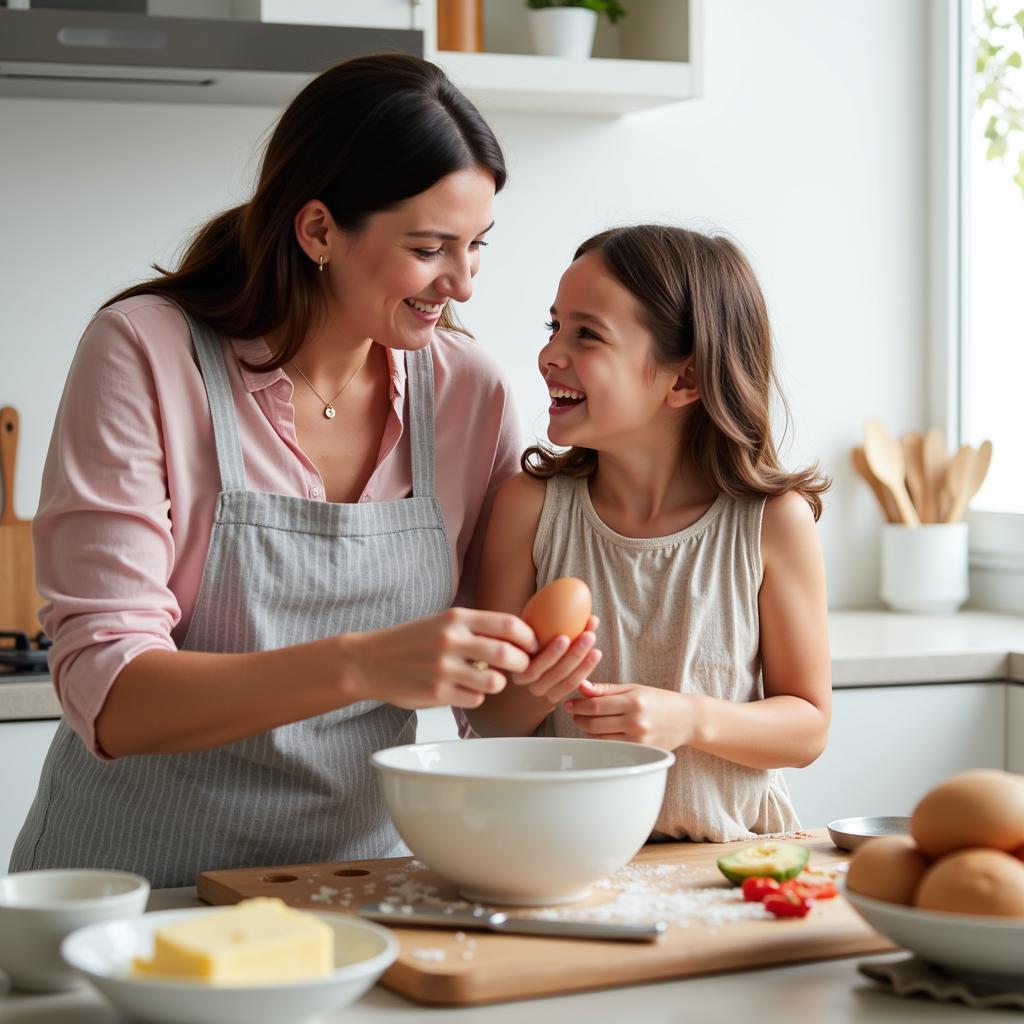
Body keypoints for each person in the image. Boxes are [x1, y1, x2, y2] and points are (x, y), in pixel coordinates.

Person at [10, 54, 539, 888]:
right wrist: (363, 664)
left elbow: (491, 709)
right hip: (137, 895)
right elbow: (109, 695)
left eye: (477, 246)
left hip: (356, 892)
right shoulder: (146, 351)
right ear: (320, 229)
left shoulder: (471, 392)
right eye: (431, 248)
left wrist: (537, 677)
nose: (464, 284)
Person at [466, 224, 832, 841]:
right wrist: (535, 691)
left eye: (587, 334)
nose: (550, 354)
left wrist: (688, 718)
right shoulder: (529, 509)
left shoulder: (772, 522)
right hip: (569, 857)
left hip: (731, 861)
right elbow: (492, 720)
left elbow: (808, 728)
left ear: (683, 380)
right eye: (554, 327)